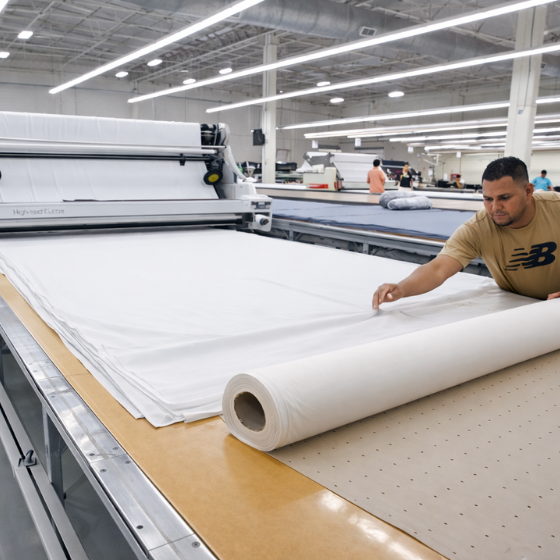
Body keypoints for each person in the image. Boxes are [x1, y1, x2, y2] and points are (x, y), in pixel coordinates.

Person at [372, 156, 560, 309]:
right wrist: (402, 288)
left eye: (504, 198)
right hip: (520, 308)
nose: (495, 207)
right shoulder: (479, 228)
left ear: (528, 192)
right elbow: (438, 269)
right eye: (487, 199)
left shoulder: (556, 209)